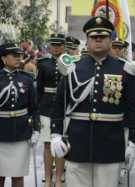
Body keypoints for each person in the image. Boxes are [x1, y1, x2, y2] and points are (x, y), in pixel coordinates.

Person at [50, 16, 135, 187]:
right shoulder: (73, 68)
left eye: (103, 37)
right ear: (87, 41)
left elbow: (133, 109)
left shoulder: (124, 69)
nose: (98, 40)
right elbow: (58, 105)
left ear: (110, 40)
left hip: (110, 145)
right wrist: (55, 134)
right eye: (93, 37)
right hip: (77, 143)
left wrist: (134, 142)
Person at [0, 43, 39, 187]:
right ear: (4, 58)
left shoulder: (27, 79)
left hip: (21, 132)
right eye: (14, 56)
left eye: (20, 55)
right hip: (0, 132)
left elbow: (34, 108)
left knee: (18, 176)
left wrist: (36, 129)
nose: (18, 58)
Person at [37, 33, 65, 187]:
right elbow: (39, 89)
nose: (56, 48)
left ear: (63, 46)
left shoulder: (70, 62)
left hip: (64, 108)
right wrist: (37, 110)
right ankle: (48, 178)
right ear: (49, 46)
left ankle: (59, 178)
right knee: (47, 145)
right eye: (53, 45)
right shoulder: (43, 63)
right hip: (47, 108)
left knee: (61, 144)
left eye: (59, 45)